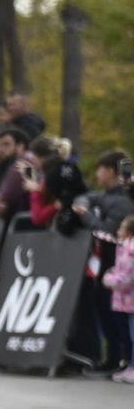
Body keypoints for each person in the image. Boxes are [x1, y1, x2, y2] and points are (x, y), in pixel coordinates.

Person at [76, 151, 134, 372]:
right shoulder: (108, 196)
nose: (97, 173)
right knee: (108, 313)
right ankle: (114, 358)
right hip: (110, 269)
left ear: (110, 171)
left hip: (119, 270)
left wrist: (86, 215)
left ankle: (121, 359)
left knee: (118, 318)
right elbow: (89, 197)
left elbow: (106, 231)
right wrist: (82, 203)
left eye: (100, 169)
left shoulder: (121, 202)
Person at [23, 135, 87, 232]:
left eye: (33, 156)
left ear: (42, 158)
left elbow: (38, 217)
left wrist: (36, 191)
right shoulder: (68, 172)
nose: (31, 160)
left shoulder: (50, 180)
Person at [102, 214, 134, 383]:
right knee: (128, 335)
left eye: (121, 228)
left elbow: (127, 278)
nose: (118, 230)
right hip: (125, 300)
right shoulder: (123, 247)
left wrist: (109, 279)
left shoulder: (130, 251)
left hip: (129, 299)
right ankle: (129, 366)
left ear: (129, 232)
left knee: (132, 335)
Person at [0, 126, 32, 223]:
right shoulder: (0, 168)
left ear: (20, 146)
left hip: (24, 226)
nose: (0, 150)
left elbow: (5, 197)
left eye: (6, 144)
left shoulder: (25, 165)